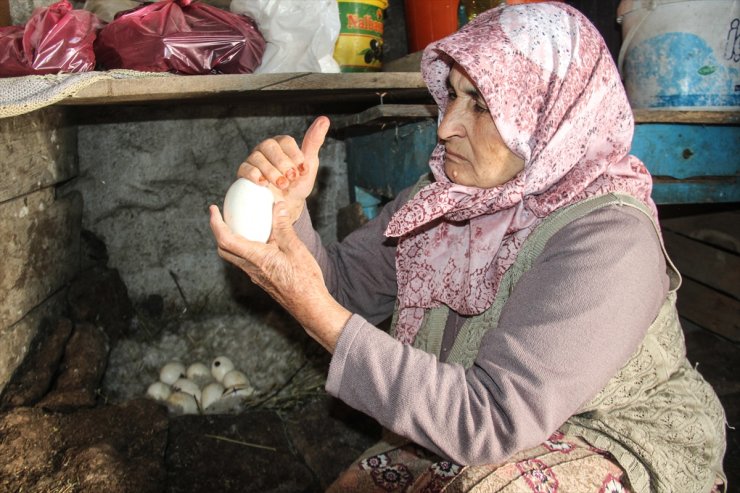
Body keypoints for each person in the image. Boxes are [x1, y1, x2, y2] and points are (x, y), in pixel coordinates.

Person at [209, 3, 727, 492]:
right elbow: (345, 287)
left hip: (611, 436)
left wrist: (312, 309)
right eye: (453, 95)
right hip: (479, 425)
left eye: (482, 103)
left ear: (551, 114)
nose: (445, 124)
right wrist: (287, 218)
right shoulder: (443, 200)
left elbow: (493, 419)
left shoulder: (607, 237)